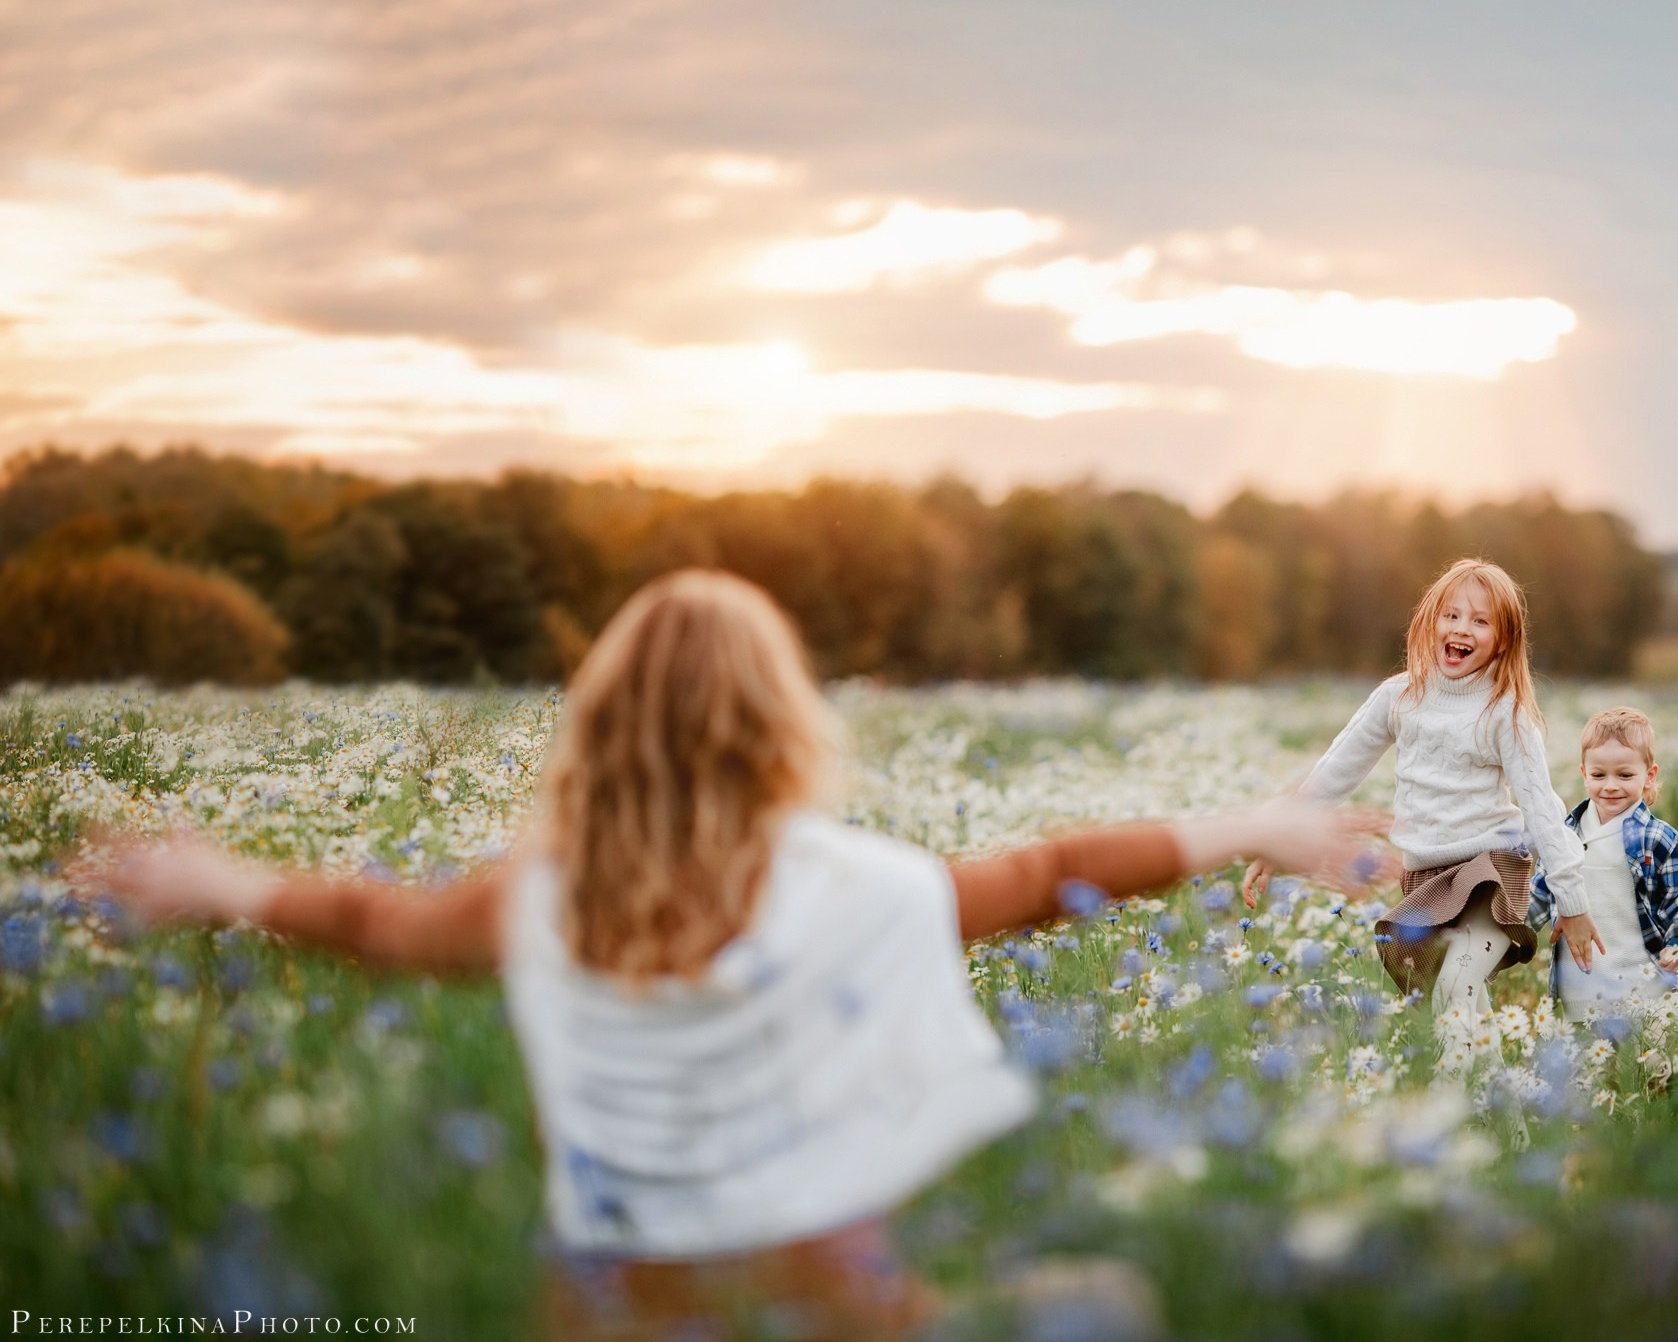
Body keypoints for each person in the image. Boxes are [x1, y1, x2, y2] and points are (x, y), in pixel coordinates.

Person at [82, 569, 1378, 1342]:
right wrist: (1251, 825)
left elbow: (378, 925)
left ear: (601, 726)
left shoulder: (541, 903)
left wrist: (224, 881)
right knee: (1108, 1301)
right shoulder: (846, 887)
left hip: (604, 1315)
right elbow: (1046, 880)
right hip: (829, 1309)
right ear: (780, 725)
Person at [1244, 557, 1602, 1015]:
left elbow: (1540, 806)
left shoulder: (1503, 714)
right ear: (1431, 622)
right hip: (1424, 876)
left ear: (1503, 640)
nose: (1461, 629)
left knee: (1457, 983)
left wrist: (1571, 901)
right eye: (1451, 615)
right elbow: (1337, 770)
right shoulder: (1400, 697)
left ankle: (1459, 1079)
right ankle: (1489, 1081)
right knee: (1445, 1001)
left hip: (1489, 870)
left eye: (1479, 621)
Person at [1527, 706, 1678, 1020]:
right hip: (1578, 993)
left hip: (1642, 993)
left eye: (1624, 775)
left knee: (1643, 1067)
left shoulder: (1660, 839)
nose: (1610, 785)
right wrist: (1497, 936)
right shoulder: (1564, 835)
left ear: (1649, 776)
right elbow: (1536, 899)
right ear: (1584, 773)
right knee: (1588, 1066)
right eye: (1598, 775)